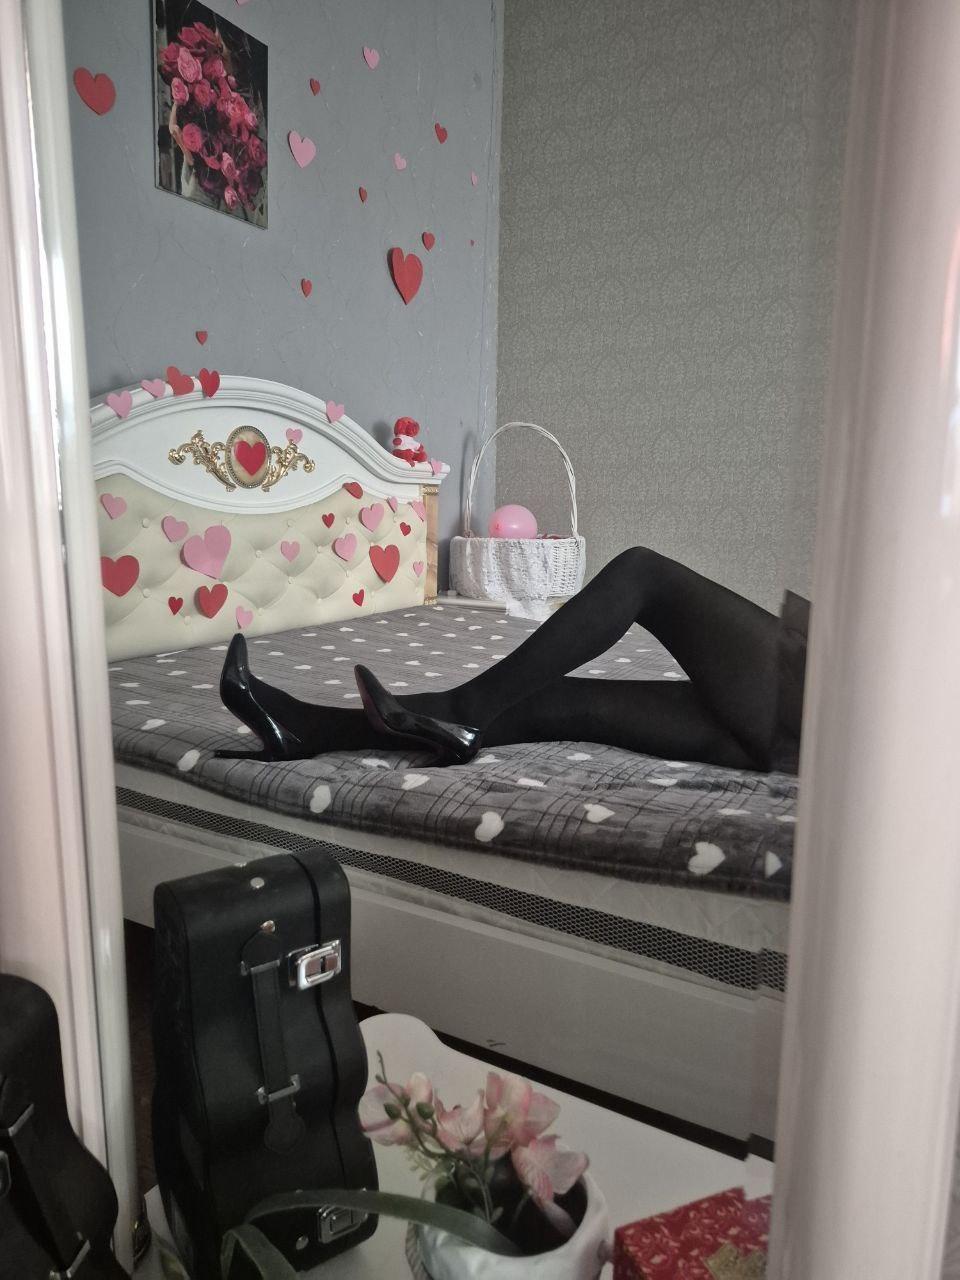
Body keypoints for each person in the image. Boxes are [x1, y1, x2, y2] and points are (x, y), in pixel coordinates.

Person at [217, 547, 810, 774]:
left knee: (643, 574)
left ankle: (465, 713)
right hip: (803, 743)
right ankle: (309, 728)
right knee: (555, 700)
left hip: (825, 710)